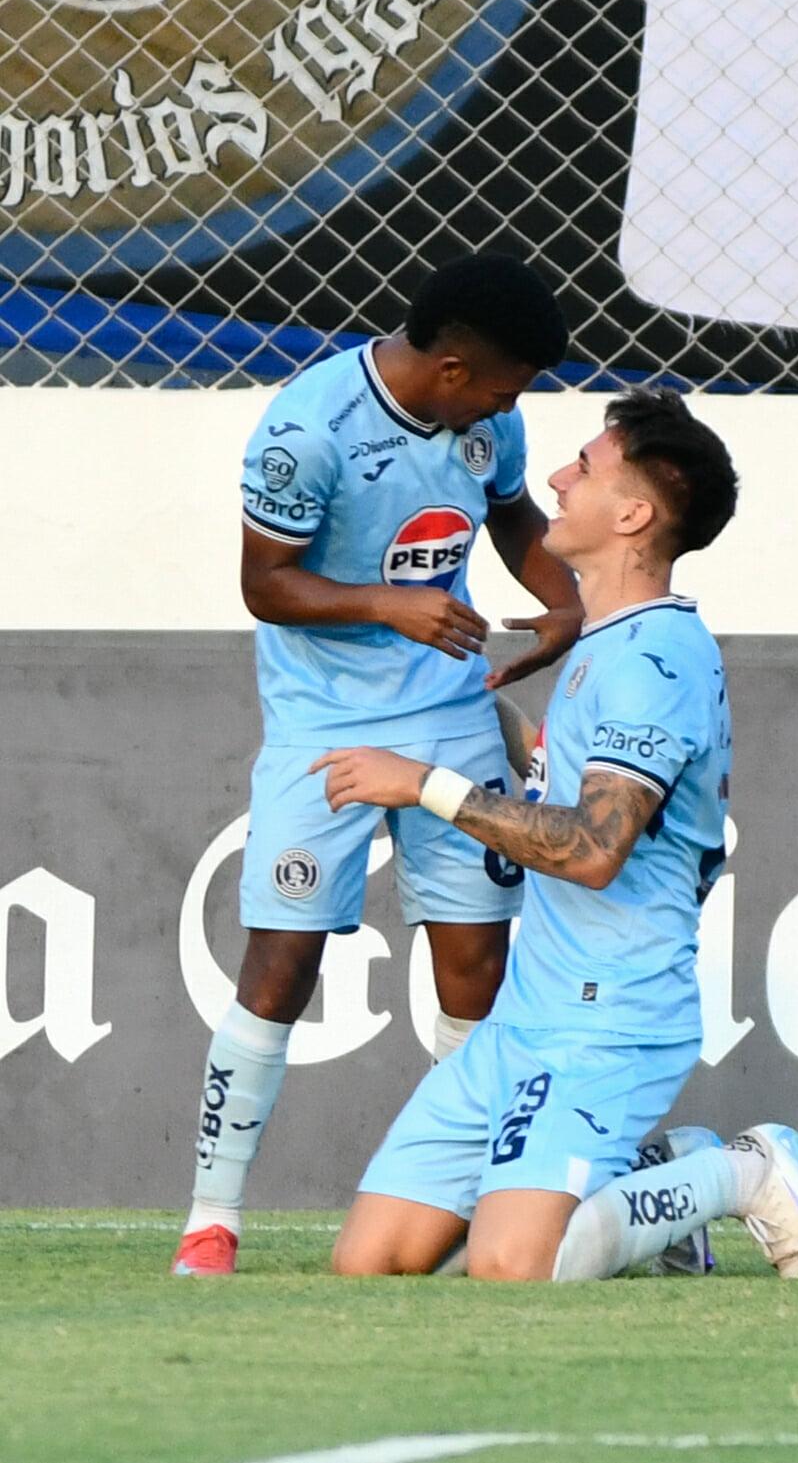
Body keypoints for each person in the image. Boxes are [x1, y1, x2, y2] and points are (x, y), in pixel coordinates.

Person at [314, 385, 798, 1282]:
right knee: (372, 1264)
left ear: (632, 513)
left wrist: (425, 784)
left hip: (610, 1021)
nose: (556, 478)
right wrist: (459, 720)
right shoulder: (607, 640)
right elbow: (565, 780)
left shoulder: (652, 660)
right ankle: (644, 1178)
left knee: (515, 1264)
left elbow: (595, 849)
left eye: (585, 467)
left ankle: (743, 1170)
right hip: (526, 1020)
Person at [171, 254, 582, 1277]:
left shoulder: (487, 420)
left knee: (477, 969)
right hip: (323, 735)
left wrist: (566, 601)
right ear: (450, 368)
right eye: (503, 385)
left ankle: (475, 1202)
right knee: (281, 966)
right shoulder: (306, 431)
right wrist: (386, 604)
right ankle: (211, 1218)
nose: (511, 404)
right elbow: (265, 585)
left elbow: (512, 513)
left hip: (450, 717)